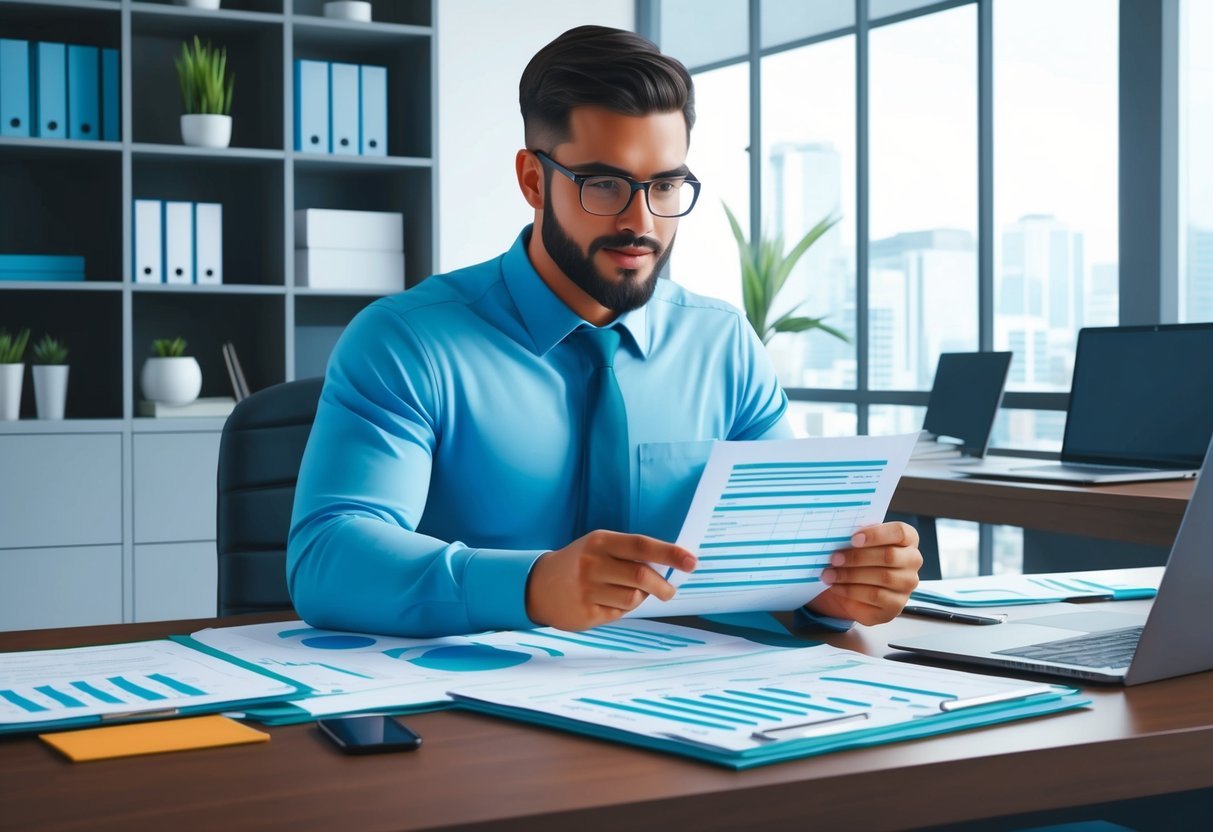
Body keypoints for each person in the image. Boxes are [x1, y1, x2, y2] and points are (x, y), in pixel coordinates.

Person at [288, 25, 921, 639]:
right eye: (605, 185)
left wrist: (828, 591)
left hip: (683, 702)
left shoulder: (723, 346)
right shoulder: (407, 343)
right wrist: (531, 586)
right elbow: (328, 555)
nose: (640, 221)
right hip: (472, 710)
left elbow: (789, 545)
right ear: (534, 181)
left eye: (666, 185)